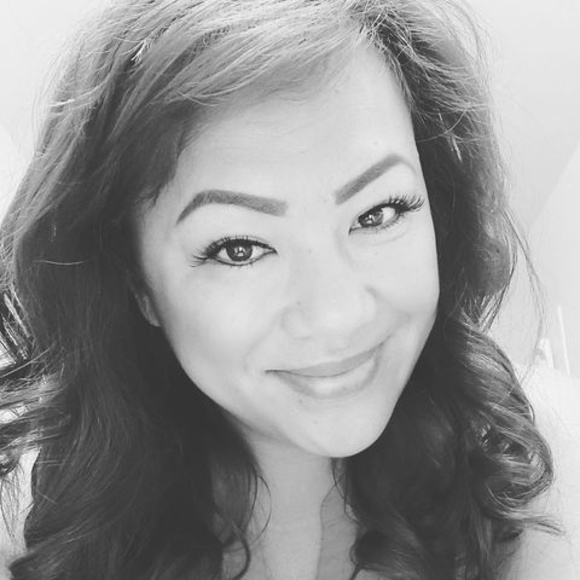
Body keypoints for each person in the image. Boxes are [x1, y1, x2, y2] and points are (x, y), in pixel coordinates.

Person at [0, 0, 579, 578]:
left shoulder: (540, 469)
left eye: (378, 213)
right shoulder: (33, 531)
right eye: (240, 249)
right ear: (136, 282)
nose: (337, 315)